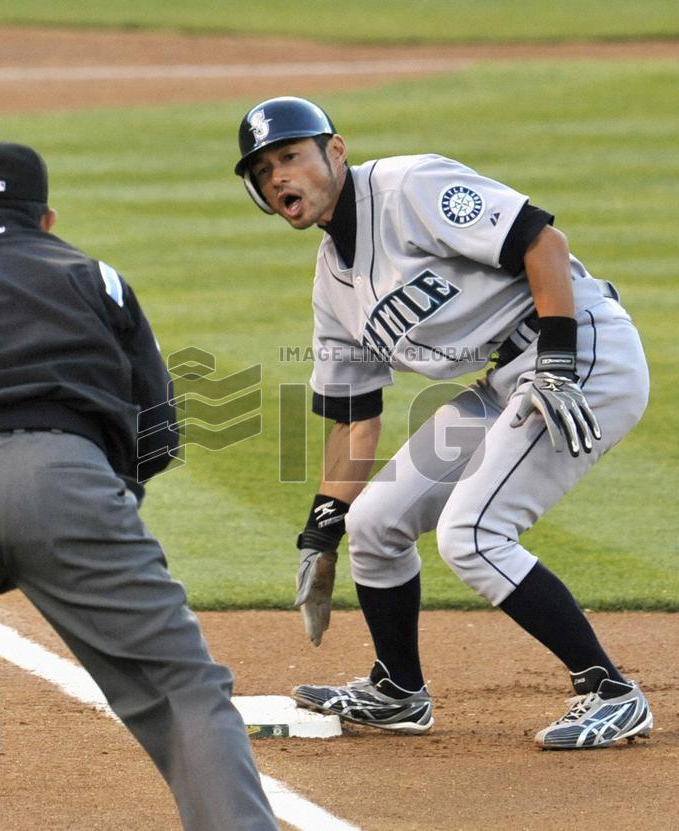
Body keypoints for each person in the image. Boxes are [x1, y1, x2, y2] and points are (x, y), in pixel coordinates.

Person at [0, 142, 279, 829]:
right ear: (47, 218)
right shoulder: (98, 279)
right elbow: (159, 428)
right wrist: (105, 493)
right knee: (182, 684)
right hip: (68, 481)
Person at [233, 97, 653, 750]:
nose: (279, 177)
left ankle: (610, 690)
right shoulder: (331, 286)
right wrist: (320, 531)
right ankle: (399, 691)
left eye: (289, 157)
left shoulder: (407, 188)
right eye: (263, 171)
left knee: (474, 532)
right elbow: (353, 416)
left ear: (334, 151)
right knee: (373, 521)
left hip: (580, 352)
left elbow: (542, 241)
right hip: (505, 381)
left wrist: (560, 365)